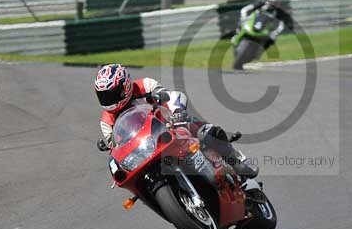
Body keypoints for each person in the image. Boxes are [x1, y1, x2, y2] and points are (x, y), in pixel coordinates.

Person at [93, 64, 259, 182]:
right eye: (104, 95)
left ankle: (236, 160)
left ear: (126, 86)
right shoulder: (106, 121)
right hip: (144, 149)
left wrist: (178, 113)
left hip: (170, 126)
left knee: (206, 132)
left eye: (113, 93)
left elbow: (172, 96)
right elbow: (115, 146)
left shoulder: (144, 85)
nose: (109, 100)